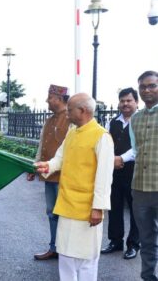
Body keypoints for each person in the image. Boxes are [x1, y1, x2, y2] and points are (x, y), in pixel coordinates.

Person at [35, 93, 114, 280]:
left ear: (83, 110)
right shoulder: (72, 132)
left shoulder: (101, 137)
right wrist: (48, 166)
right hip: (67, 205)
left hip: (87, 209)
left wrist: (98, 208)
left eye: (70, 110)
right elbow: (60, 158)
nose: (67, 114)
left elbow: (104, 177)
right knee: (66, 255)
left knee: (86, 259)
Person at [27, 84, 70, 260]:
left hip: (65, 177)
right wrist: (34, 167)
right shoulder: (49, 120)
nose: (47, 100)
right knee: (51, 212)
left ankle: (67, 250)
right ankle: (54, 248)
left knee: (65, 214)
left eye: (50, 97)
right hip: (49, 174)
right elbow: (41, 146)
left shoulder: (71, 119)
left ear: (59, 99)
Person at [100, 87, 140, 260]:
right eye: (122, 100)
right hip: (114, 172)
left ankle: (133, 245)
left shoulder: (141, 121)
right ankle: (115, 241)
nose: (125, 104)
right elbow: (105, 143)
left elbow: (140, 146)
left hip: (135, 171)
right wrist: (111, 159)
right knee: (114, 207)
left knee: (134, 209)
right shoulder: (112, 122)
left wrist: (121, 158)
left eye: (129, 100)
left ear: (136, 102)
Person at [130, 70, 158, 281]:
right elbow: (135, 150)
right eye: (143, 87)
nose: (147, 90)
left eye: (152, 85)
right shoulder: (135, 119)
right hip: (140, 188)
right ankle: (148, 277)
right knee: (147, 239)